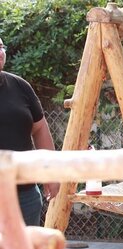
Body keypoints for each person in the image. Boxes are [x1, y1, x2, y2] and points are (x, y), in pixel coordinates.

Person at [0, 36, 60, 226]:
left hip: (24, 194)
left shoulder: (20, 86)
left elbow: (40, 127)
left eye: (0, 46)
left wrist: (50, 173)